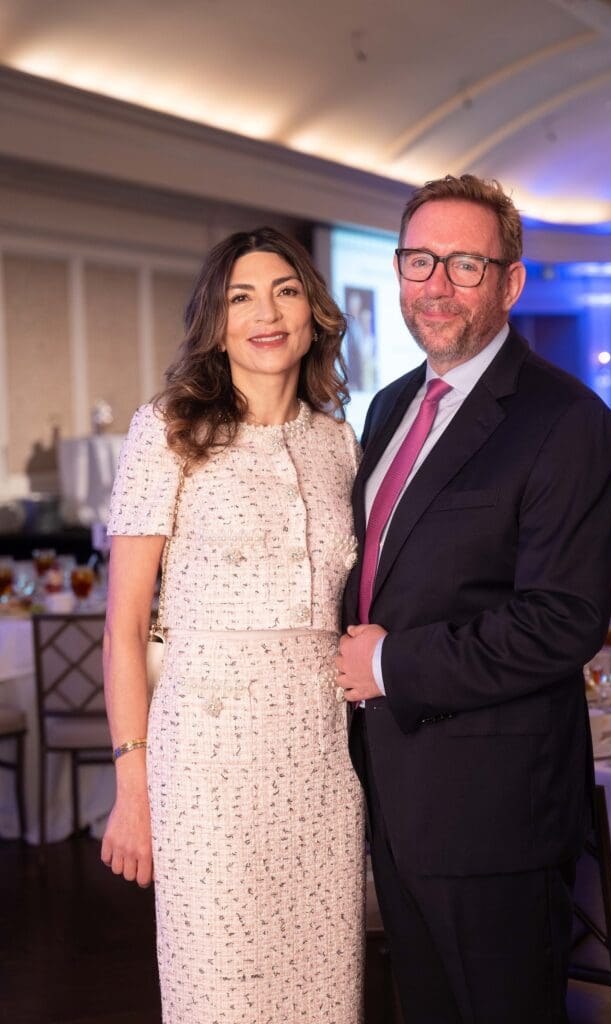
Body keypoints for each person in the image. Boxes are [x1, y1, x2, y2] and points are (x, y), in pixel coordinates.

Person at [336, 174, 611, 1024]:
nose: (436, 285)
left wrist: (390, 664)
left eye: (465, 264)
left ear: (510, 281)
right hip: (393, 792)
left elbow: (561, 620)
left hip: (494, 810)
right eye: (418, 261)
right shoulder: (390, 406)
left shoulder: (565, 421)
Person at [101, 227, 365, 1024]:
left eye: (285, 291)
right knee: (219, 991)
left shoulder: (339, 443)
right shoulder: (167, 431)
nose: (266, 314)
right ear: (215, 323)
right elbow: (124, 627)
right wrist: (132, 787)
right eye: (240, 297)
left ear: (313, 312)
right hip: (206, 768)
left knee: (324, 994)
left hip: (321, 763)